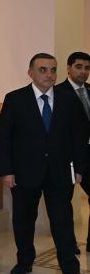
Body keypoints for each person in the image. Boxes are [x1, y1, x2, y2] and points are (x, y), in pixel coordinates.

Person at [0, 53, 88, 274]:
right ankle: (24, 261)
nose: (49, 75)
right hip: (24, 172)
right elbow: (4, 138)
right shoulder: (15, 99)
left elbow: (78, 137)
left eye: (53, 70)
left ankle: (71, 271)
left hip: (59, 173)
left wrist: (80, 168)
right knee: (24, 220)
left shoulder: (68, 100)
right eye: (43, 70)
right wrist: (7, 171)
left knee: (63, 221)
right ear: (31, 73)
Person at [55, 51, 90, 252]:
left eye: (87, 68)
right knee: (63, 203)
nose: (83, 71)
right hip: (68, 158)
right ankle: (68, 245)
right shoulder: (57, 92)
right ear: (68, 68)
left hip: (89, 156)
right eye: (79, 67)